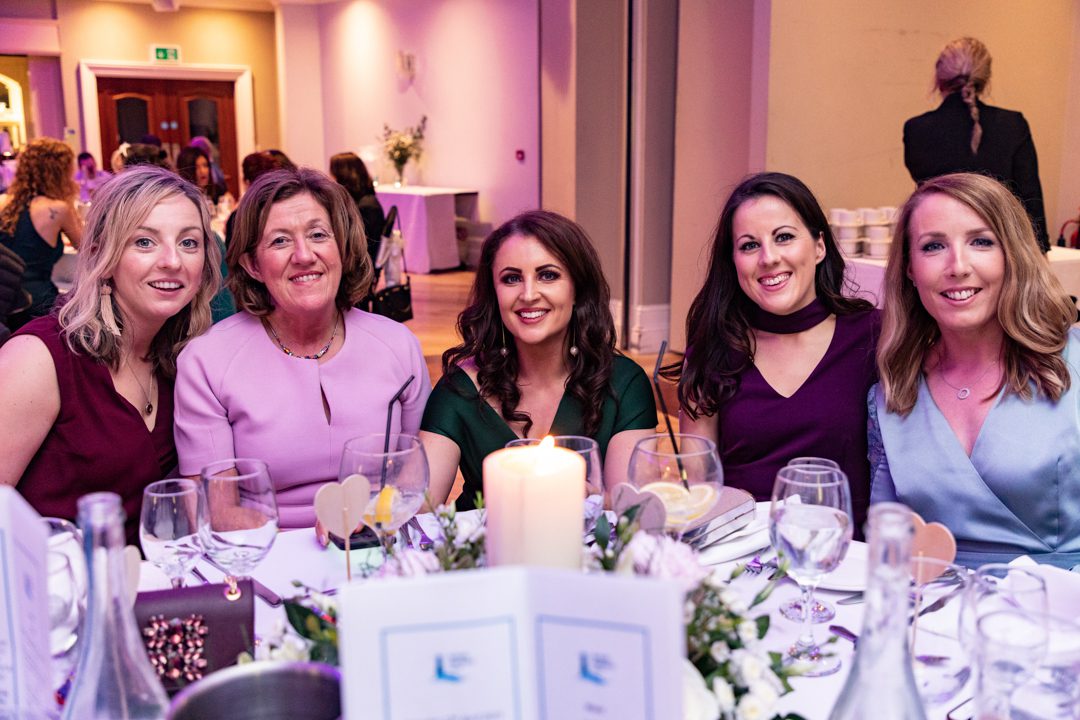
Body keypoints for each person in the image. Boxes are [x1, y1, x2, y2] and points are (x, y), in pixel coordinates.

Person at [173, 168, 431, 530]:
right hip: (266, 551)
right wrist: (303, 551)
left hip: (378, 541)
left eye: (318, 235)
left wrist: (372, 524)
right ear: (252, 265)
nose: (304, 255)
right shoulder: (207, 362)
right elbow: (216, 512)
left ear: (342, 247)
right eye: (280, 241)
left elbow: (416, 477)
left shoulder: (398, 345)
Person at [869, 173, 1080, 569]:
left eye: (981, 242)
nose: (958, 266)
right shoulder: (894, 390)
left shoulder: (1074, 363)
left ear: (1012, 254)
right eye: (933, 246)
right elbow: (887, 546)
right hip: (932, 601)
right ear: (910, 268)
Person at [0, 166, 221, 542]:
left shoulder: (182, 360)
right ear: (102, 255)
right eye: (144, 242)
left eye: (189, 243)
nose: (173, 261)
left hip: (147, 575)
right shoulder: (39, 358)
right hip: (53, 575)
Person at [674, 173, 879, 530]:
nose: (768, 258)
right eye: (749, 245)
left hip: (840, 553)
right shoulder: (714, 349)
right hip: (739, 550)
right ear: (733, 261)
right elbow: (699, 488)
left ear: (819, 246)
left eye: (784, 237)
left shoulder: (873, 335)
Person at [420, 210, 657, 509]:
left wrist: (589, 497)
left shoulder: (624, 384)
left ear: (577, 289)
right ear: (495, 294)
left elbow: (635, 510)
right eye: (512, 278)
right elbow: (419, 508)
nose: (529, 294)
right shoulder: (459, 390)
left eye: (548, 275)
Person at [903, 37, 1049, 253]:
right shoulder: (1012, 124)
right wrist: (1040, 252)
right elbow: (1030, 196)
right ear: (986, 79)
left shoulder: (917, 129)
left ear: (939, 78)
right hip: (999, 248)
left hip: (938, 247)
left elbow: (924, 196)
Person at [0, 138, 84, 328]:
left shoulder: (2, 202)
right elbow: (88, 248)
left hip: (5, 301)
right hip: (37, 304)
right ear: (60, 172)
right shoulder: (58, 209)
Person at [329, 151, 385, 279]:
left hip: (357, 273)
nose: (330, 177)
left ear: (343, 176)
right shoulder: (360, 201)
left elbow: (359, 250)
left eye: (332, 173)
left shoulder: (367, 207)